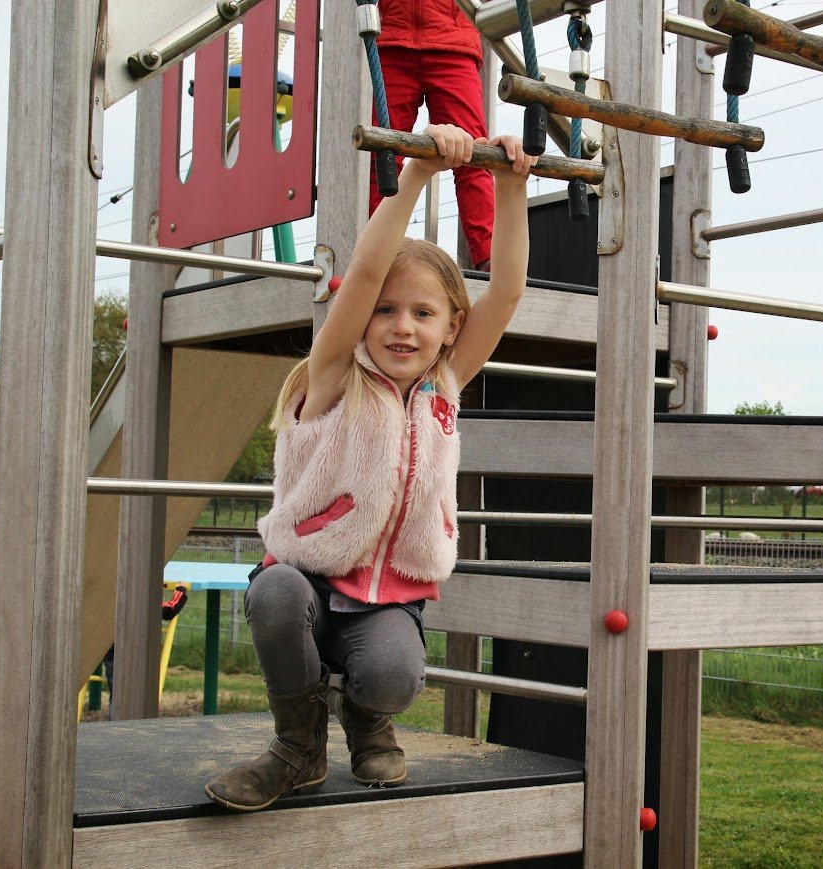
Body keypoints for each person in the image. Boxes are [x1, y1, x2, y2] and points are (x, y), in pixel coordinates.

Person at [204, 124, 535, 812]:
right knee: (273, 592)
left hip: (383, 598)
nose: (400, 326)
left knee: (394, 676)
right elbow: (360, 274)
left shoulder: (445, 387)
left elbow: (504, 292)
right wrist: (413, 176)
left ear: (450, 326)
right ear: (360, 319)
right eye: (384, 311)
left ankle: (366, 717)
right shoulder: (329, 379)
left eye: (421, 312)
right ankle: (296, 748)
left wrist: (510, 188)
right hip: (305, 578)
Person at [372, 0, 493, 271]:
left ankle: (490, 260)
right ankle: (377, 251)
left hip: (452, 40)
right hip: (394, 38)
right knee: (381, 156)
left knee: (473, 154)